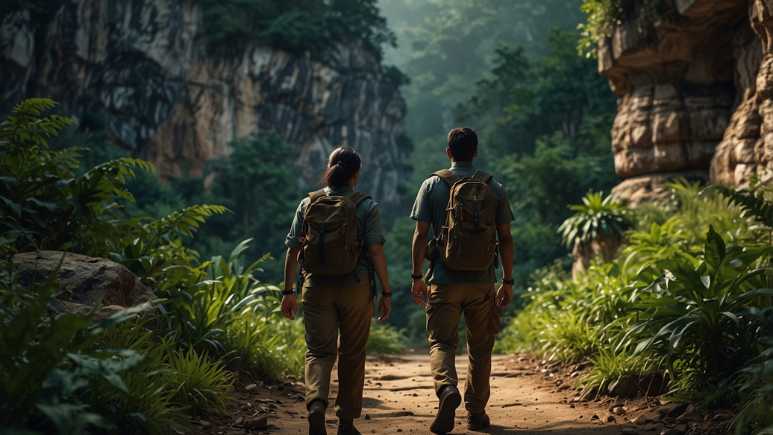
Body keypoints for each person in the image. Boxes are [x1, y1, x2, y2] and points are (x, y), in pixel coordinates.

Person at [410, 127, 515, 434]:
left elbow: (420, 235)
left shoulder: (432, 184)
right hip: (482, 282)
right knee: (480, 348)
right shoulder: (494, 187)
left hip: (444, 280)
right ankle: (476, 413)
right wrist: (507, 281)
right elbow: (506, 238)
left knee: (442, 342)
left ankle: (446, 390)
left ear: (448, 153)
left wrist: (417, 276)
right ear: (475, 152)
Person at [281, 147, 392, 435]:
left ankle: (317, 403)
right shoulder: (366, 205)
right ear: (355, 175)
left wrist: (288, 291)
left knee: (318, 352)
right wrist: (386, 291)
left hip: (316, 286)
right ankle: (345, 421)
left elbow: (293, 249)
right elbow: (376, 250)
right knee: (352, 353)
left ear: (330, 169)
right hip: (355, 287)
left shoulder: (309, 203)